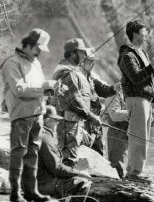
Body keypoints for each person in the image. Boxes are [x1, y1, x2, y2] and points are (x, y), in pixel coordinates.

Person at [0, 28, 54, 202]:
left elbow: (38, 88)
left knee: (32, 154)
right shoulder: (11, 63)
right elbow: (19, 90)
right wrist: (44, 88)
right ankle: (16, 193)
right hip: (21, 116)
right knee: (18, 153)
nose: (40, 53)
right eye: (38, 48)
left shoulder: (35, 63)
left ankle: (31, 192)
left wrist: (51, 88)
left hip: (37, 114)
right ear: (30, 45)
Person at [118, 20, 154, 182]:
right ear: (135, 34)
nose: (146, 35)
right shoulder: (127, 55)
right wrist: (150, 66)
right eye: (144, 32)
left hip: (145, 100)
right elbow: (136, 78)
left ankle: (135, 170)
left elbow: (149, 77)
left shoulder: (142, 53)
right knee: (138, 137)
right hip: (136, 99)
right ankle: (134, 173)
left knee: (143, 137)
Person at [52, 38, 103, 167]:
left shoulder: (73, 71)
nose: (84, 56)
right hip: (68, 125)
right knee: (68, 161)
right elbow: (74, 100)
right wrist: (91, 117)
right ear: (73, 53)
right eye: (82, 53)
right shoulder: (66, 73)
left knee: (74, 161)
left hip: (75, 124)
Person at [37, 105, 92, 202]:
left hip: (38, 181)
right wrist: (79, 173)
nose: (58, 124)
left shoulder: (41, 135)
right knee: (84, 182)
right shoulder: (45, 138)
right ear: (48, 122)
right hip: (42, 184)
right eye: (55, 121)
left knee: (70, 179)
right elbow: (56, 168)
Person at [80, 48, 121, 156]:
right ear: (81, 61)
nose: (92, 64)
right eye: (90, 62)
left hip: (95, 120)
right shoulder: (76, 78)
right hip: (84, 121)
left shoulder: (91, 78)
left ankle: (97, 173)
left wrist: (114, 88)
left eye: (93, 62)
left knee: (98, 150)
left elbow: (103, 90)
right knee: (85, 149)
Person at [105, 88, 129, 178]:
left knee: (126, 162)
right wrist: (136, 113)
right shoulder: (113, 93)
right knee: (117, 163)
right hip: (117, 131)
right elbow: (114, 115)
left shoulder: (132, 93)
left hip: (128, 130)